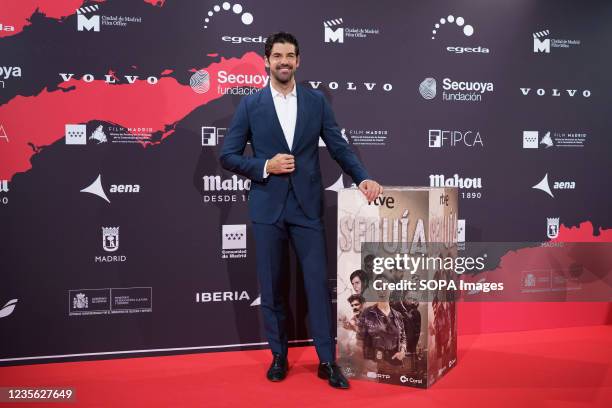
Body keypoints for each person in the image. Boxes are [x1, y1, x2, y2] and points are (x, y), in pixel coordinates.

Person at [219, 32, 383, 389]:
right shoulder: (250, 105)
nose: (283, 61)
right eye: (277, 55)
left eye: (290, 55)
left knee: (316, 285)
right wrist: (266, 165)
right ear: (266, 60)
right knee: (273, 286)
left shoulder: (316, 102)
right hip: (268, 207)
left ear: (298, 61)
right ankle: (278, 356)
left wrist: (363, 178)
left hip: (307, 207)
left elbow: (339, 146)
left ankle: (327, 361)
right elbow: (227, 156)